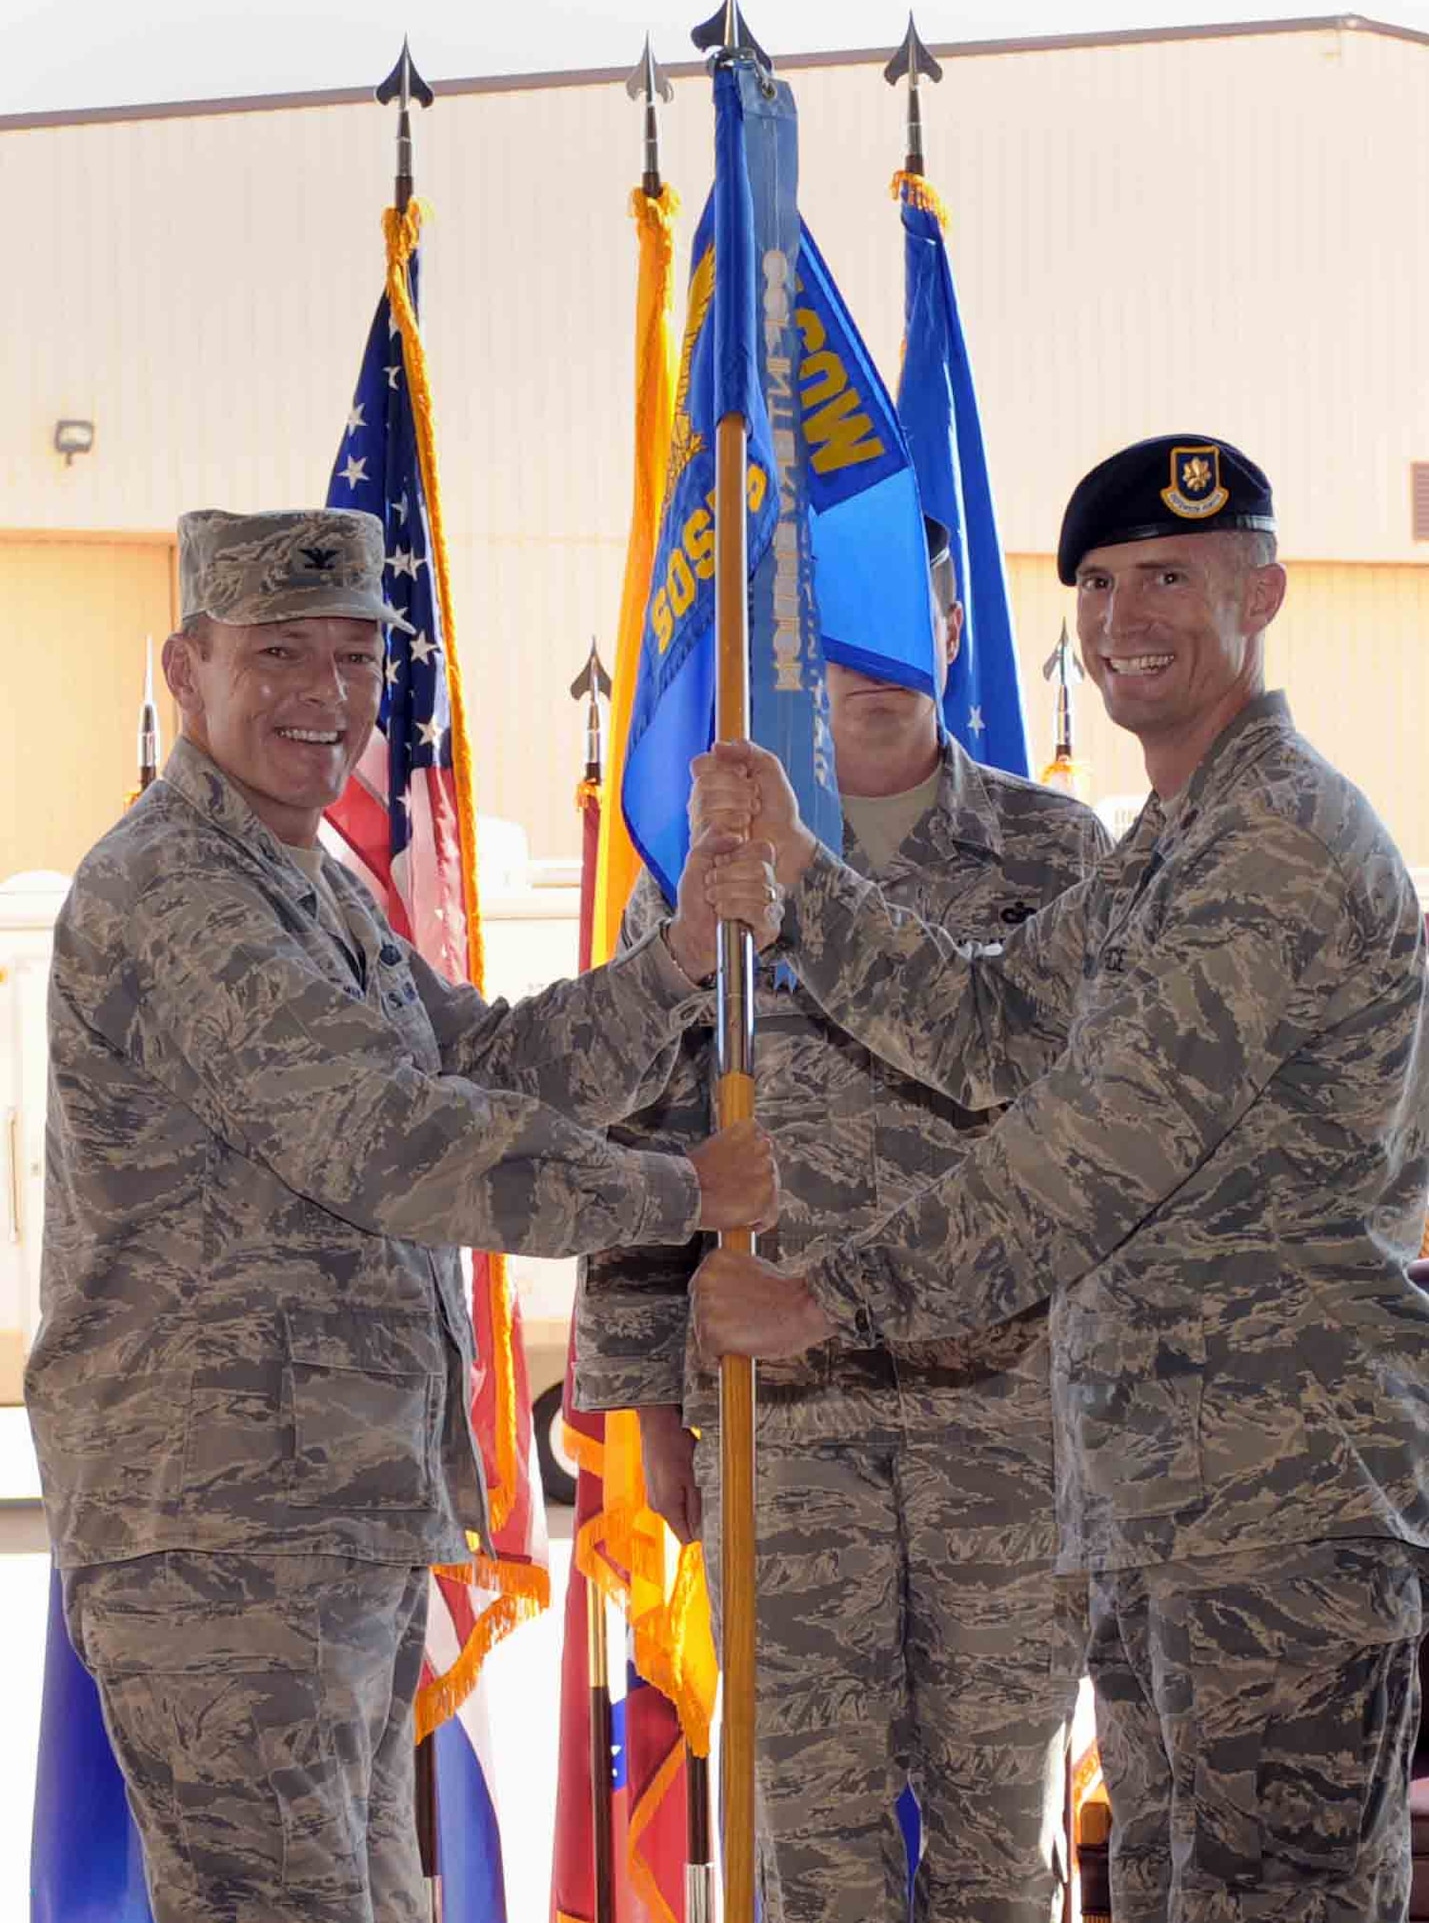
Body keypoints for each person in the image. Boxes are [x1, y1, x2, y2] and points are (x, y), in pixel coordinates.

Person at [692, 435, 1429, 1923]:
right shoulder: (1169, 842)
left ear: (1262, 593)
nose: (1122, 616)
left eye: (1170, 576)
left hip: (1275, 1506)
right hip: (1166, 1500)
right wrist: (796, 873)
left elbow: (1084, 1156)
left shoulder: (1273, 838)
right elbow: (989, 1024)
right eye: (1095, 582)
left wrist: (825, 1297)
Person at [25, 505, 782, 1923]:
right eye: (280, 654)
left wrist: (673, 967)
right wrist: (676, 1194)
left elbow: (479, 1060)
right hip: (223, 1536)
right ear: (188, 671)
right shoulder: (173, 894)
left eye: (359, 655)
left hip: (327, 1518)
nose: (328, 696)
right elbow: (384, 1136)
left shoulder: (316, 881)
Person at [575, 521, 1108, 1923]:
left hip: (1005, 1412)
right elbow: (637, 1135)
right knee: (809, 1840)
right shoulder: (704, 868)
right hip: (780, 1422)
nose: (869, 666)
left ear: (947, 622)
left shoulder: (1056, 853)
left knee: (1000, 1836)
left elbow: (1102, 1140)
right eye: (832, 632)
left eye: (898, 617)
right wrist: (643, 1416)